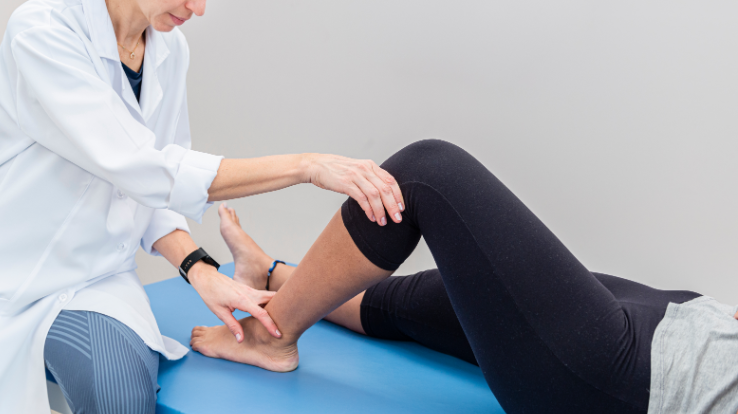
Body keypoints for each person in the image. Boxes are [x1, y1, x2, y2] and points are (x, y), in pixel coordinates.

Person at [0, 0, 408, 413]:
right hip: (1, 279)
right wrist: (306, 166)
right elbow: (147, 169)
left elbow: (154, 195)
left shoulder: (168, 50)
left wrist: (201, 270)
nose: (199, 6)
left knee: (121, 398)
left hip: (94, 284)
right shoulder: (43, 31)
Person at [191, 139, 738, 414]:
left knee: (423, 177)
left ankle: (270, 337)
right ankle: (271, 276)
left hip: (644, 382)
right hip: (691, 327)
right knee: (436, 300)